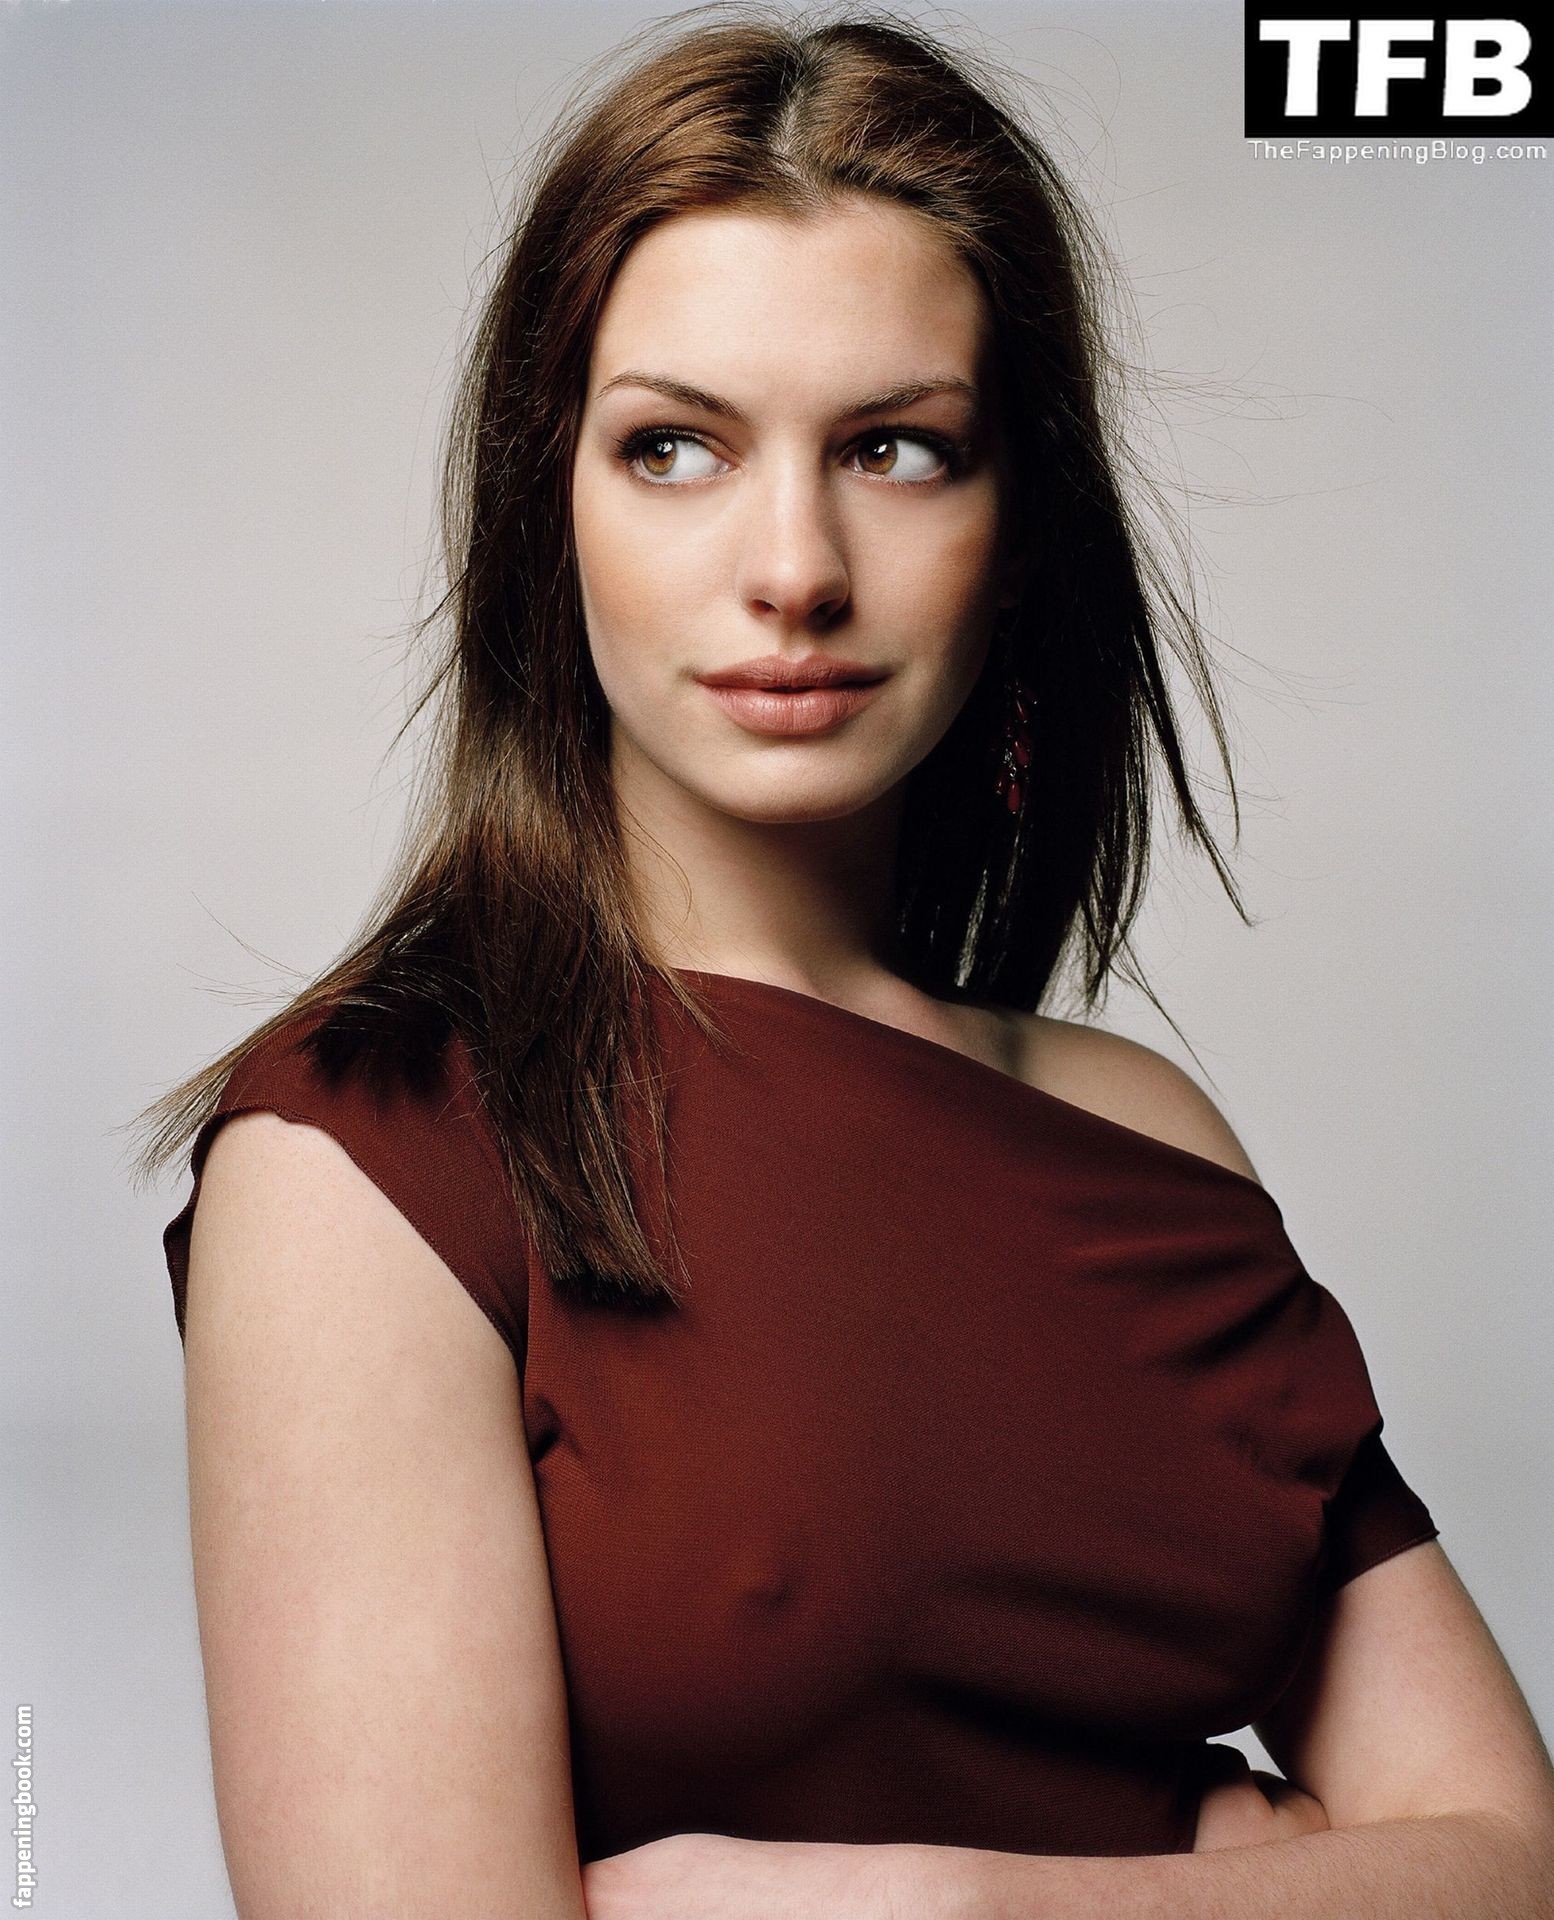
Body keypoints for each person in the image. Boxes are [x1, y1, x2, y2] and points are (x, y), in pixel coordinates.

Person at [133, 9, 1554, 1917]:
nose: (793, 564)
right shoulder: (369, 1155)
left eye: (896, 448)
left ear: (1015, 519)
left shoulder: (1144, 1136)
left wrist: (931, 1909)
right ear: (549, 506)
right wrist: (1253, 1872)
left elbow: (1509, 1863)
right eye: (674, 449)